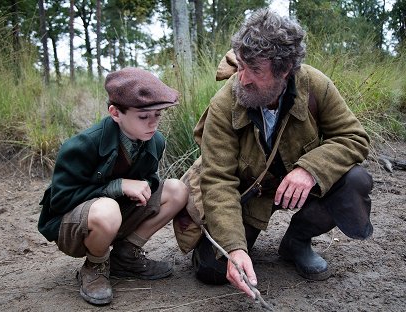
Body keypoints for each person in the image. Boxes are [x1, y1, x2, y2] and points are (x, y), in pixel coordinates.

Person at [191, 9, 374, 299]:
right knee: (212, 271)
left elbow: (354, 138)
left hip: (303, 188)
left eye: (255, 71)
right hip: (249, 195)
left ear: (285, 69)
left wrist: (310, 169)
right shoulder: (224, 102)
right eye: (241, 66)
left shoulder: (315, 85)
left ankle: (297, 241)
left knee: (355, 180)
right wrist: (235, 248)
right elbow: (218, 180)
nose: (243, 79)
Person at [38, 67, 188, 305]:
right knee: (107, 209)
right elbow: (60, 201)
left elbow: (149, 178)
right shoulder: (82, 145)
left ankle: (126, 256)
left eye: (158, 115)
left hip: (117, 214)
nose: (153, 123)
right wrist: (117, 186)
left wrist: (143, 186)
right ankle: (95, 267)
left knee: (177, 190)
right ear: (115, 113)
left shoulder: (155, 141)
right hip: (73, 227)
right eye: (143, 116)